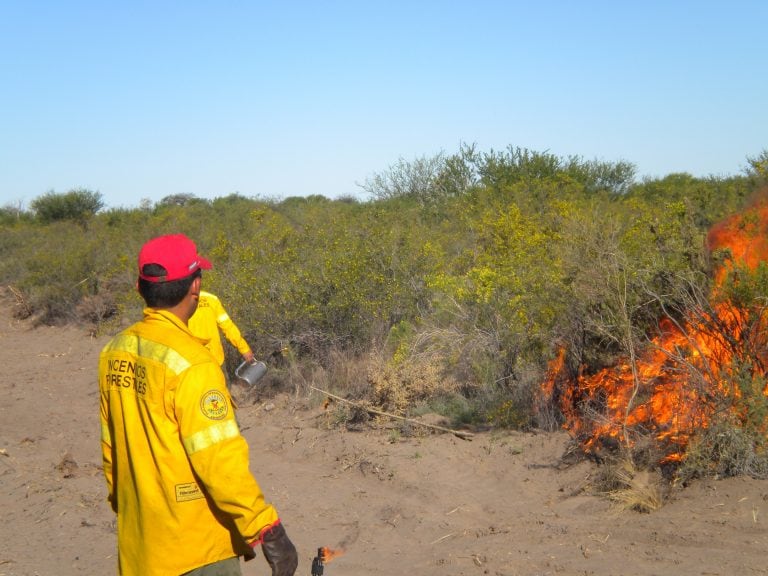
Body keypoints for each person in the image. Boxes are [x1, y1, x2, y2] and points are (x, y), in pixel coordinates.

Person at [98, 233, 298, 576]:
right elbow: (218, 460)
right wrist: (267, 528)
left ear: (139, 288)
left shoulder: (114, 350)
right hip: (194, 548)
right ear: (196, 286)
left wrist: (128, 509)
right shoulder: (194, 364)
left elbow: (110, 448)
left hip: (140, 544)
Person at [188, 290, 255, 372]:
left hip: (191, 363)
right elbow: (228, 326)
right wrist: (244, 349)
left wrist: (244, 348)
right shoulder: (211, 298)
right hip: (213, 359)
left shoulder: (173, 303)